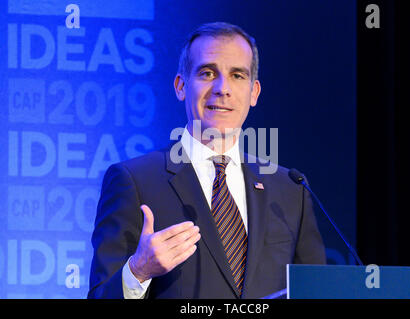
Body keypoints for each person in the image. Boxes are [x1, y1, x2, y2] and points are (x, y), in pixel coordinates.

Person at [88, 22, 326, 299]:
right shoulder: (134, 180)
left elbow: (316, 291)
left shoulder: (290, 189)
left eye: (238, 75)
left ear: (254, 93)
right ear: (180, 86)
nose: (223, 88)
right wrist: (138, 271)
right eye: (207, 73)